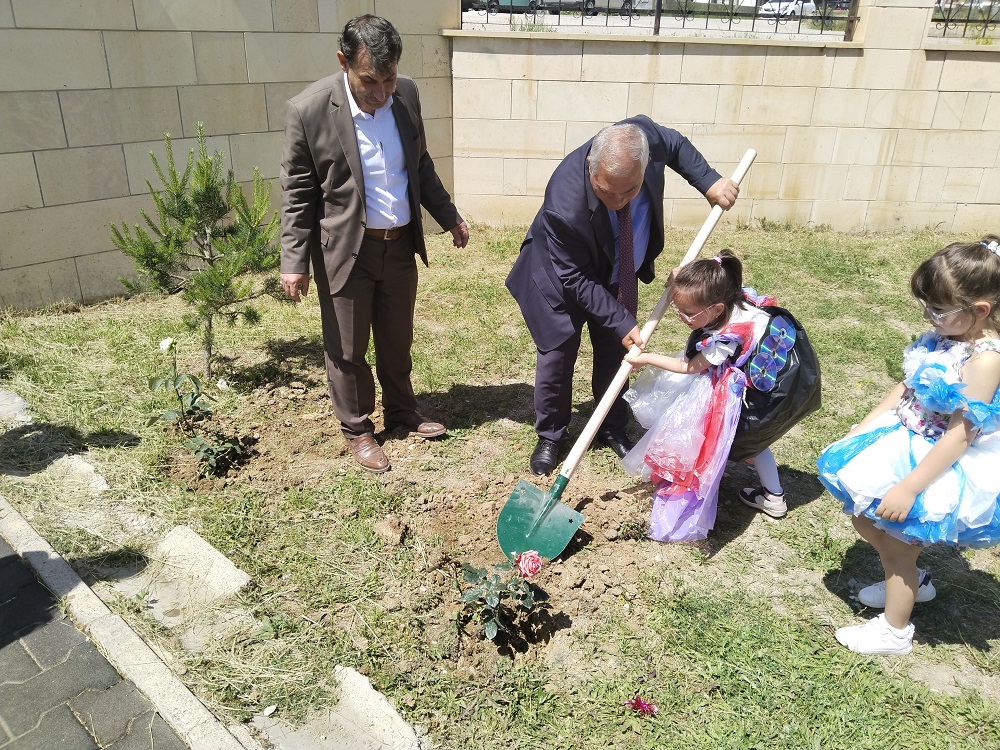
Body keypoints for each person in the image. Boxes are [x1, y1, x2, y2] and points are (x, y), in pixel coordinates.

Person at [279, 15, 469, 474]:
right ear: (344, 61)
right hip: (346, 249)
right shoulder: (309, 111)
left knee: (396, 337)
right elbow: (299, 191)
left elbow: (420, 163)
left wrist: (449, 216)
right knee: (346, 347)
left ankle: (403, 412)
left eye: (389, 80)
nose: (382, 93)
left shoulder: (406, 95)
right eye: (370, 81)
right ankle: (358, 428)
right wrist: (294, 260)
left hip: (400, 244)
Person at [505, 117, 739, 476]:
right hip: (559, 277)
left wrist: (709, 181)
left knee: (617, 351)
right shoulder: (563, 202)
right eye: (605, 191)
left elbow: (675, 145)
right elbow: (575, 277)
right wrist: (619, 318)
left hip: (616, 268)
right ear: (591, 167)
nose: (617, 200)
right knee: (557, 354)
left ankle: (611, 425)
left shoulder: (641, 138)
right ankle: (551, 434)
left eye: (628, 191)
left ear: (644, 165)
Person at [818, 237, 1000, 656]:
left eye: (937, 308)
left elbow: (959, 434)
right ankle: (913, 580)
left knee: (899, 545)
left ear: (980, 311)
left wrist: (910, 488)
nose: (926, 314)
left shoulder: (984, 359)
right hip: (899, 436)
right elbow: (906, 386)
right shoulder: (946, 336)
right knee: (862, 515)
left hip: (931, 458)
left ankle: (895, 630)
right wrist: (863, 427)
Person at [621, 251, 821, 541]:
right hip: (774, 374)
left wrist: (648, 358)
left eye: (687, 313)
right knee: (757, 444)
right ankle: (774, 496)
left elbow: (688, 367)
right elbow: (701, 279)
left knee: (721, 439)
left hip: (753, 392)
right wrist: (679, 275)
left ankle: (706, 479)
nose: (681, 317)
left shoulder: (724, 340)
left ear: (715, 309)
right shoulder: (732, 293)